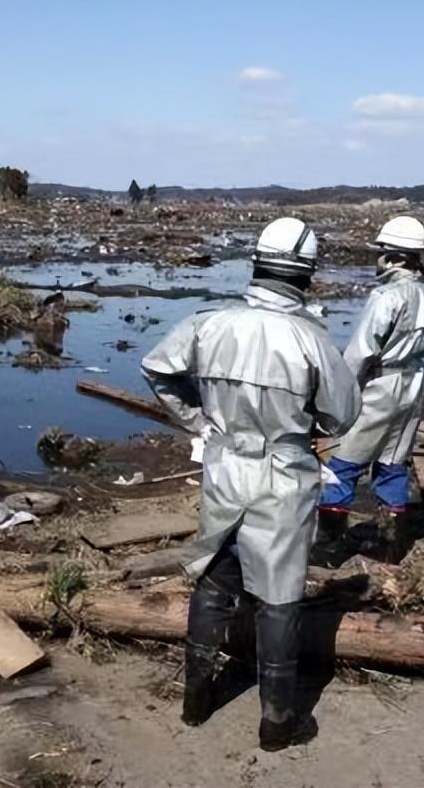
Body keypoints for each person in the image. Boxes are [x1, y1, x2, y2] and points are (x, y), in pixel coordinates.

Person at [141, 217, 361, 752]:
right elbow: (342, 416)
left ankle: (195, 701)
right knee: (279, 597)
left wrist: (199, 421)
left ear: (257, 263)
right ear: (306, 274)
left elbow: (157, 370)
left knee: (215, 574)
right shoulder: (311, 339)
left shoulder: (209, 322)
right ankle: (278, 722)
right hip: (283, 475)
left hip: (224, 465)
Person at [314, 216, 424, 564]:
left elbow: (360, 351)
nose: (377, 259)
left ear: (394, 256)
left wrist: (337, 394)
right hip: (414, 384)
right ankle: (391, 546)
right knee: (392, 462)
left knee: (343, 463)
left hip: (381, 387)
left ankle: (327, 548)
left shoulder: (386, 296)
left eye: (381, 253)